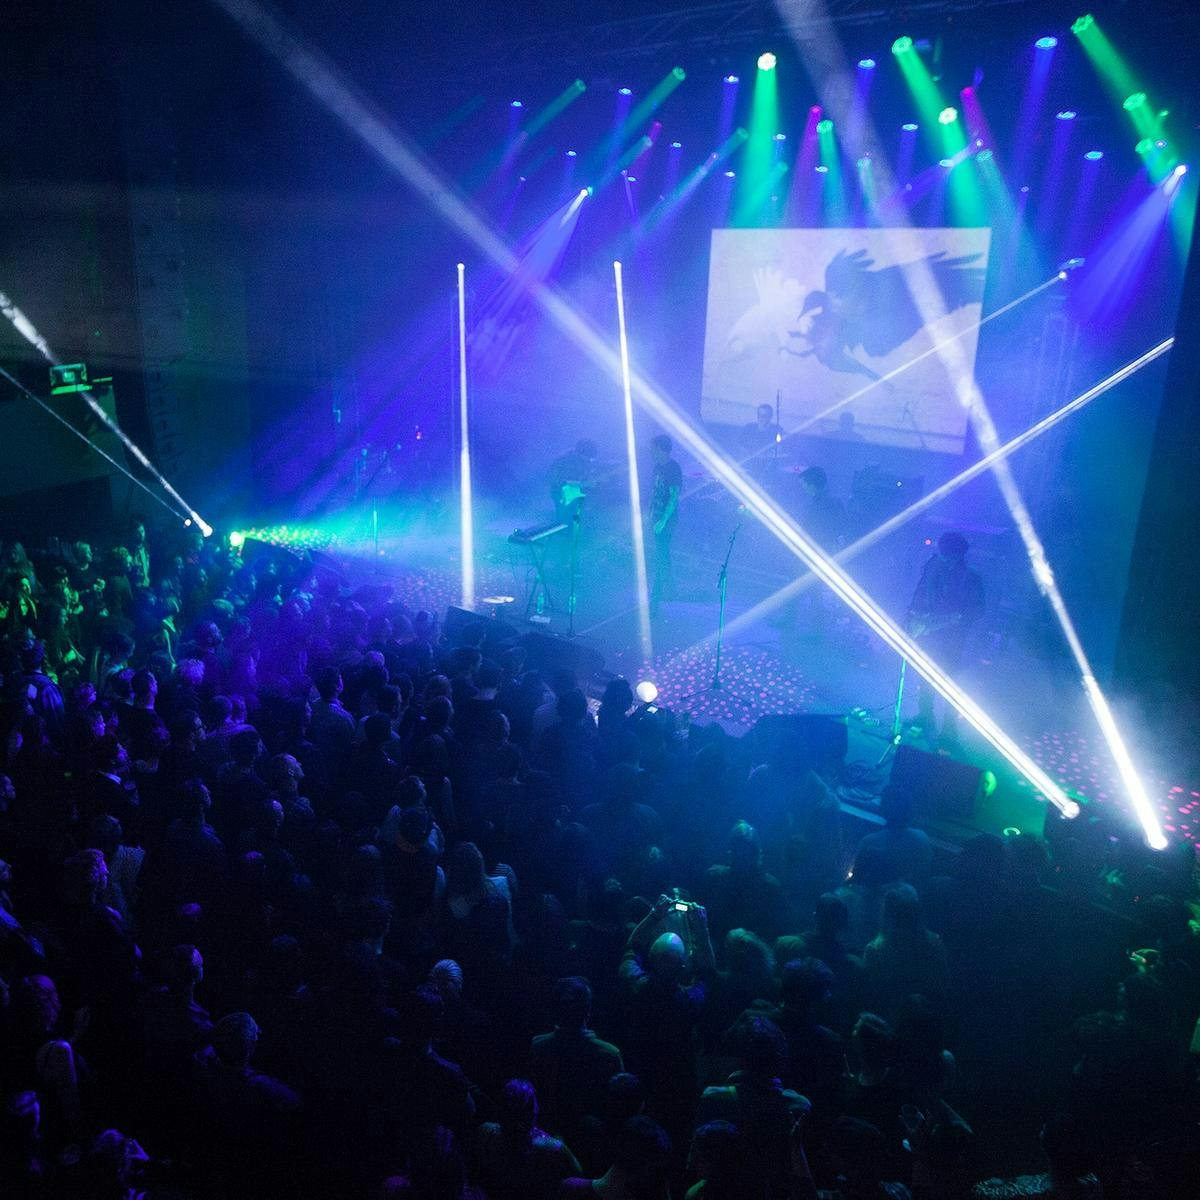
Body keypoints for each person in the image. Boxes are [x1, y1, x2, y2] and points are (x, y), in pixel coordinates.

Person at [907, 531, 984, 743]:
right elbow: (921, 593)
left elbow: (977, 610)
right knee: (926, 676)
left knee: (949, 682)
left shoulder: (970, 576)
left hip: (952, 639)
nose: (941, 553)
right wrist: (913, 618)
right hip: (929, 633)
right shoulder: (934, 568)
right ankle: (925, 716)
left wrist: (953, 620)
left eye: (945, 550)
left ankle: (949, 729)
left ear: (957, 553)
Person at [530, 977, 624, 1142]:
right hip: (591, 1143)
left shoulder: (538, 1046)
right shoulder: (609, 1054)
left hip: (545, 1138)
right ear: (588, 1010)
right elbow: (619, 1107)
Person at [647, 435, 681, 616]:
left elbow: (674, 497)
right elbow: (655, 491)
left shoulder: (673, 468)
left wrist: (663, 520)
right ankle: (669, 589)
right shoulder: (658, 467)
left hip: (666, 520)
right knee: (662, 553)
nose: (651, 452)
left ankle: (658, 594)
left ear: (661, 449)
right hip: (657, 517)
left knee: (661, 553)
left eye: (653, 448)